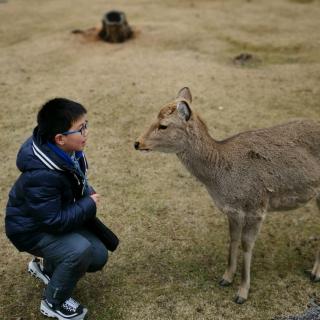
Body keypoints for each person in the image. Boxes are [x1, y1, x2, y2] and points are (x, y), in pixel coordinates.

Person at [5, 98, 115, 320]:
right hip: (29, 230)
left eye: (86, 125)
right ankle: (54, 301)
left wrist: (85, 196)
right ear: (60, 138)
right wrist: (87, 204)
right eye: (80, 129)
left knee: (97, 255)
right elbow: (53, 221)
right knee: (80, 251)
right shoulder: (43, 174)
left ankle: (50, 271)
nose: (86, 132)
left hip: (48, 218)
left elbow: (74, 184)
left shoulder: (65, 152)